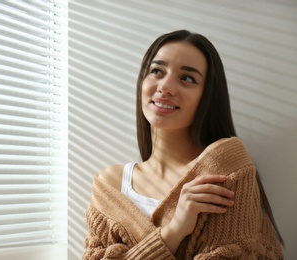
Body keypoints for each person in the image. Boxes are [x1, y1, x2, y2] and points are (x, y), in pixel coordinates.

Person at [83, 30, 284, 259]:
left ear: (207, 97)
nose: (165, 87)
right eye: (157, 71)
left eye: (187, 78)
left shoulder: (226, 172)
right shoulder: (110, 186)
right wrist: (174, 230)